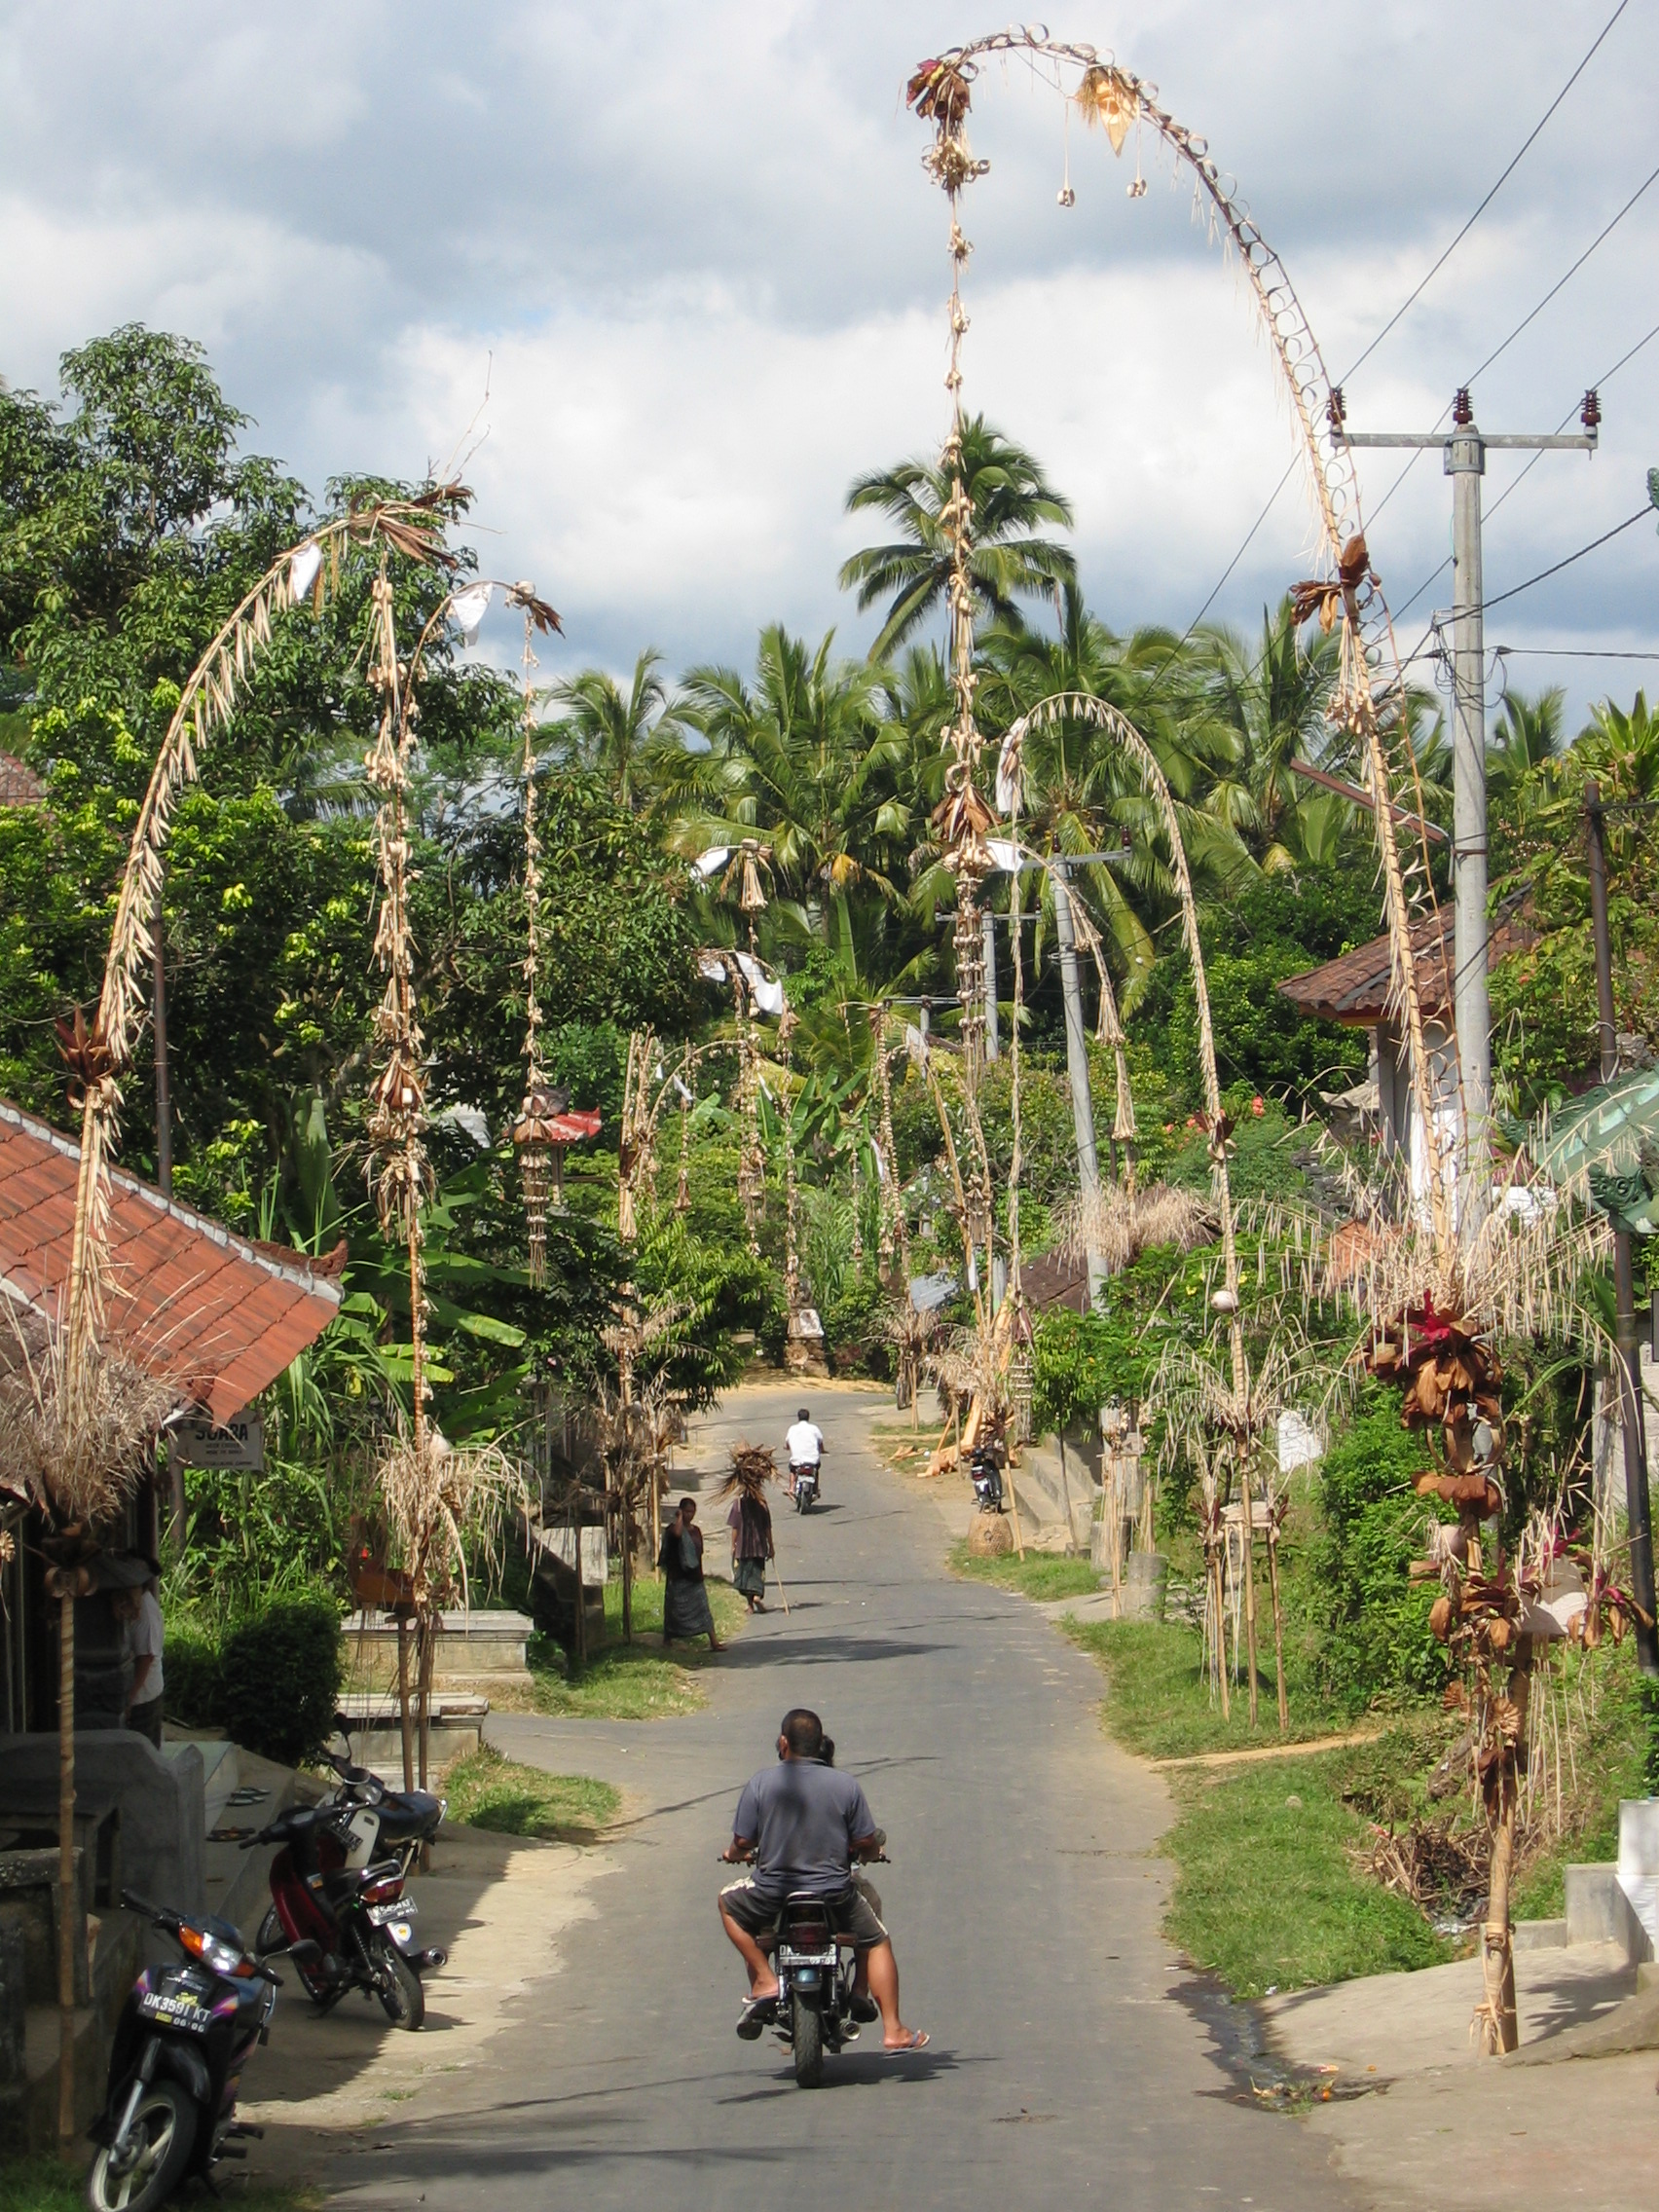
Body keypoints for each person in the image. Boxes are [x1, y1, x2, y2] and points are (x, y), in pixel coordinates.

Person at [719, 1707, 928, 2053]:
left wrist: (733, 1853)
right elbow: (865, 1840)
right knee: (876, 1940)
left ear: (783, 1743)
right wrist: (872, 1851)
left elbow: (743, 1841)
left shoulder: (761, 1783)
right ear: (820, 1744)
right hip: (834, 1893)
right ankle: (892, 2027)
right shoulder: (845, 1785)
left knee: (727, 1903)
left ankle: (765, 1979)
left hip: (773, 1892)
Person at [657, 1495, 723, 1650]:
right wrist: (679, 1518)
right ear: (681, 1511)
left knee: (703, 1609)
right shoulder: (673, 1529)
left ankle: (714, 1642)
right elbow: (678, 1534)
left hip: (694, 1577)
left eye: (692, 1512)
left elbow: (699, 1552)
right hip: (677, 1577)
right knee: (673, 1611)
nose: (690, 1515)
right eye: (687, 1511)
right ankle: (667, 1639)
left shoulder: (696, 1531)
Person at [119, 1565, 166, 1749]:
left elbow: (145, 1658)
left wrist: (130, 1699)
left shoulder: (145, 1612)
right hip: (146, 1694)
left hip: (144, 1698)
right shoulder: (140, 1606)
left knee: (142, 1751)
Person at [721, 1455, 775, 1614]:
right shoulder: (762, 1504)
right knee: (757, 1572)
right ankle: (757, 1596)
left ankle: (750, 1604)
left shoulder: (738, 1504)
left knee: (744, 1575)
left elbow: (735, 1528)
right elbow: (767, 1528)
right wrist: (771, 1546)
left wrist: (733, 1545)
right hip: (759, 1546)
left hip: (743, 1547)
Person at [784, 1407, 824, 1501]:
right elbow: (820, 1442)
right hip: (813, 1460)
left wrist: (788, 1447)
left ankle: (791, 1488)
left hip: (797, 1460)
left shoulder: (792, 1429)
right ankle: (815, 1490)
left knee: (792, 1470)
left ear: (798, 1417)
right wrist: (822, 1450)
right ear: (808, 1417)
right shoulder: (814, 1428)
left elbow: (787, 1443)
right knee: (816, 1470)